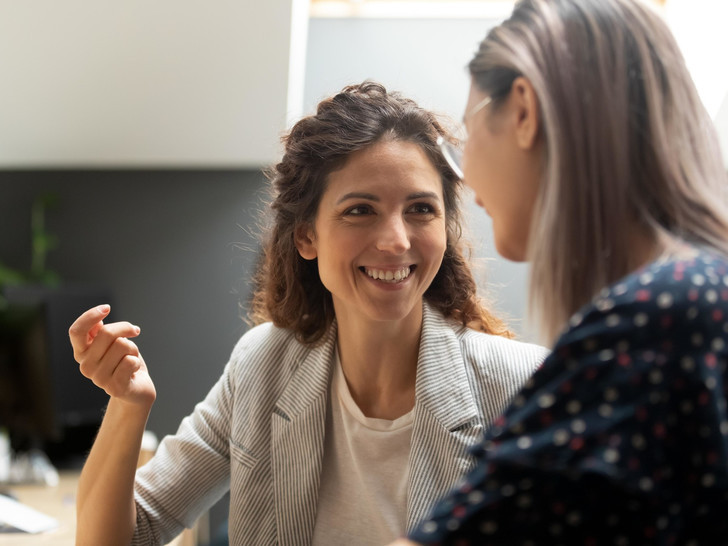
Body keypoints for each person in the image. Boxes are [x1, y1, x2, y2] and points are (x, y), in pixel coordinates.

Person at [68, 81, 547, 545]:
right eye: (360, 210)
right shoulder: (263, 366)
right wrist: (129, 406)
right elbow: (125, 537)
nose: (397, 240)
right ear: (306, 237)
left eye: (421, 209)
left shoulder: (524, 387)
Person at [387, 0, 728, 544]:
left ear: (523, 110)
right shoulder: (699, 297)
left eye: (468, 136)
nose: (467, 178)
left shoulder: (656, 320)